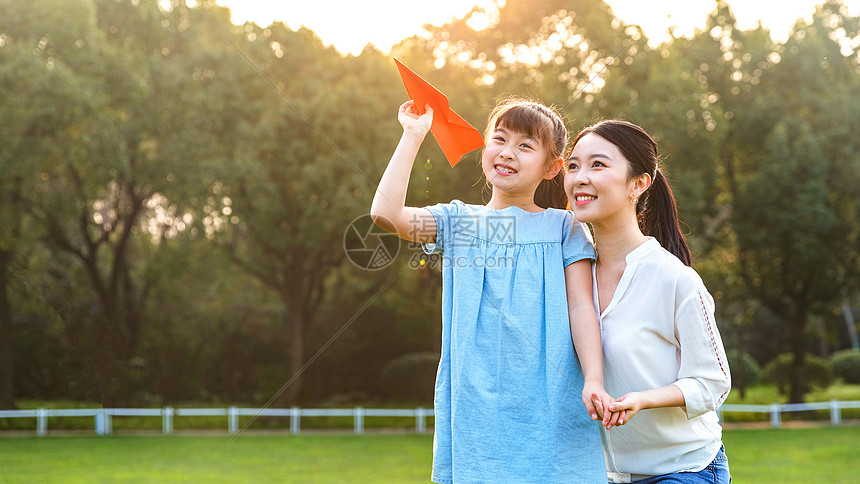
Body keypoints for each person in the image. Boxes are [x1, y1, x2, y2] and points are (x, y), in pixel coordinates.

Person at [371, 98, 609, 483]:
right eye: (499, 139)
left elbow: (583, 307)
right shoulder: (458, 222)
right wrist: (413, 135)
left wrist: (594, 379)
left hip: (552, 399)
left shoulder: (565, 228)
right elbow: (386, 214)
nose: (507, 152)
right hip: (476, 406)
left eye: (525, 146)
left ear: (552, 168)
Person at [565, 119, 732, 484]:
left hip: (684, 469)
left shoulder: (674, 279)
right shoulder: (572, 276)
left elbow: (714, 382)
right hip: (605, 476)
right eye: (573, 165)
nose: (579, 177)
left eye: (598, 164)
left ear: (638, 184)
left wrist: (642, 399)